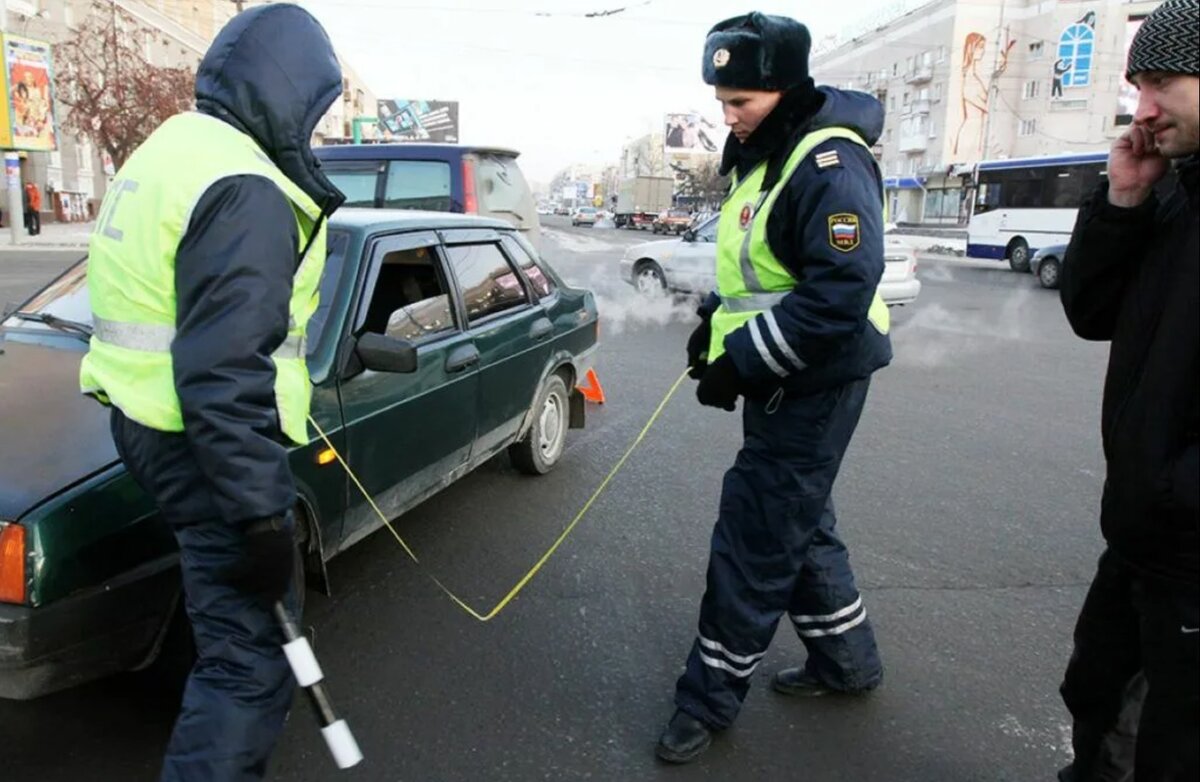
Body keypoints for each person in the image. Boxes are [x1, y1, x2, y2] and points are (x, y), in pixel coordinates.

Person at [78, 5, 345, 780]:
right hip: (204, 446)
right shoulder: (246, 187)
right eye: (316, 111)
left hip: (146, 420)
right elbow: (223, 372)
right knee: (250, 663)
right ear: (289, 92)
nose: (317, 130)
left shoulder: (173, 148)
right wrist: (261, 510)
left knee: (230, 633)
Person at [657, 11, 893, 763]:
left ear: (787, 88)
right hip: (786, 375)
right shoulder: (768, 156)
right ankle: (847, 663)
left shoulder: (828, 161)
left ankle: (707, 699)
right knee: (800, 520)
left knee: (758, 530)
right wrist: (712, 325)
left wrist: (742, 362)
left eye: (742, 103)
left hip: (814, 378)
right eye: (722, 101)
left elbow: (837, 296)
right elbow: (761, 277)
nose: (728, 118)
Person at [1057, 1, 1199, 780]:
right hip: (1143, 539)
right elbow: (1091, 312)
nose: (1142, 108)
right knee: (1098, 701)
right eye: (1137, 84)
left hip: (1189, 552)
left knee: (1164, 748)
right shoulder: (1175, 191)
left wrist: (1178, 492)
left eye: (1164, 83)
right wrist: (1123, 200)